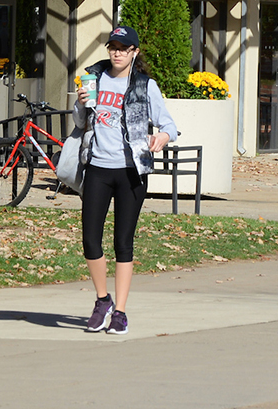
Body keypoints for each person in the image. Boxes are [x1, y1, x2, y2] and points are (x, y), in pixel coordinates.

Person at [75, 25, 179, 336]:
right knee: (90, 240)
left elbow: (170, 125)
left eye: (123, 48)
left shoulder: (145, 86)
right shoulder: (93, 78)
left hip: (131, 171)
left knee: (123, 243)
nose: (117, 52)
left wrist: (161, 136)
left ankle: (119, 312)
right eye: (113, 47)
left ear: (134, 52)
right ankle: (102, 300)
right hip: (97, 167)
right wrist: (80, 104)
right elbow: (80, 123)